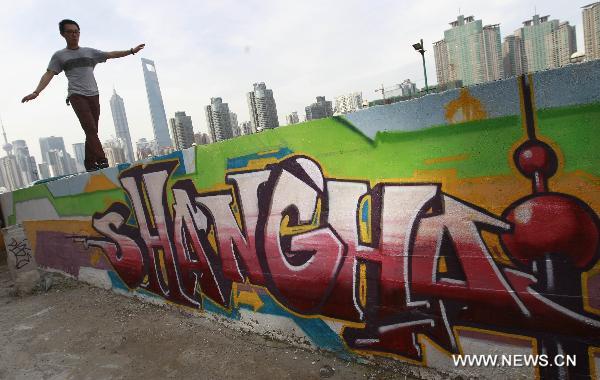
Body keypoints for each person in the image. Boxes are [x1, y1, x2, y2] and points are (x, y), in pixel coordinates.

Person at [22, 19, 145, 172]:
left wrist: (131, 51)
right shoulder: (60, 56)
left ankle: (90, 163)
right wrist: (36, 92)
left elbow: (111, 54)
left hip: (94, 94)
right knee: (90, 128)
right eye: (70, 32)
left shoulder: (89, 52)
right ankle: (102, 160)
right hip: (76, 95)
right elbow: (49, 74)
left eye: (76, 32)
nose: (74, 35)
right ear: (63, 34)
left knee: (91, 130)